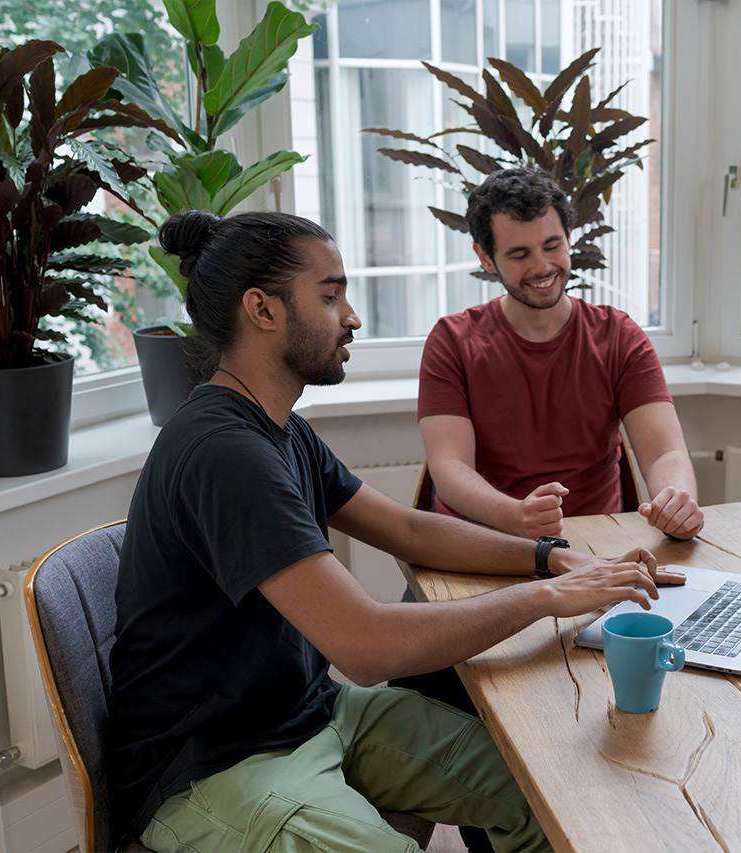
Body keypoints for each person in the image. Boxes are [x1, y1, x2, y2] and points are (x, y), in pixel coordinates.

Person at [107, 210, 684, 853]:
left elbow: (409, 530)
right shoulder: (224, 451)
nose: (351, 316)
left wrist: (551, 559)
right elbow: (367, 645)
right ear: (261, 310)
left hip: (309, 716)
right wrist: (546, 598)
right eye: (330, 296)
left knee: (549, 794)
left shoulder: (280, 431)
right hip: (214, 767)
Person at [418, 167, 705, 542]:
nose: (542, 267)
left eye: (552, 246)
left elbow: (665, 452)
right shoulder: (452, 341)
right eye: (519, 254)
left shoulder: (618, 336)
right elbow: (450, 468)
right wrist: (516, 516)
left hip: (596, 544)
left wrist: (676, 500)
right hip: (484, 542)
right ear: (486, 258)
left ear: (569, 237)